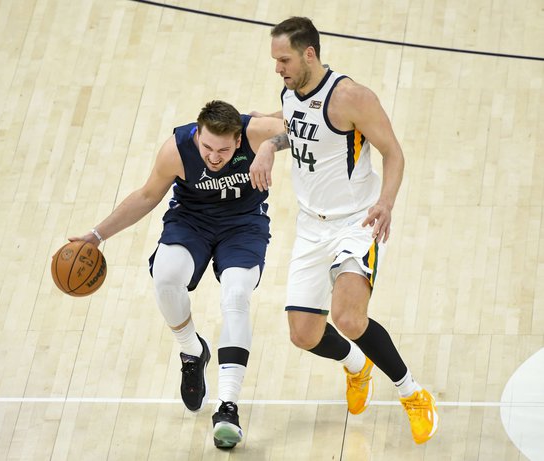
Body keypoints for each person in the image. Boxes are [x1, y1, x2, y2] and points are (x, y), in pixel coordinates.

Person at [249, 17, 438, 444]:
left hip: (359, 221)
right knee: (303, 334)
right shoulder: (292, 90)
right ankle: (357, 365)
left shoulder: (352, 97)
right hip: (310, 227)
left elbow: (394, 153)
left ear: (309, 53)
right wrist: (267, 145)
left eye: (284, 59)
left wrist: (385, 202)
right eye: (276, 60)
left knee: (349, 317)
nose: (277, 68)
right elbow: (294, 125)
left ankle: (413, 393)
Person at [69, 100, 285, 449]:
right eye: (207, 148)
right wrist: (96, 236)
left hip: (243, 224)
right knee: (167, 277)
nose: (214, 157)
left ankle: (228, 407)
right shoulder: (177, 149)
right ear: (197, 134)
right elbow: (146, 195)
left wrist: (271, 144)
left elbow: (308, 127)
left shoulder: (255, 133)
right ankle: (191, 351)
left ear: (238, 138)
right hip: (192, 221)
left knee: (236, 295)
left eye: (225, 150)